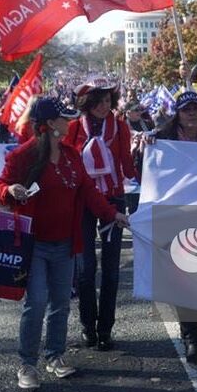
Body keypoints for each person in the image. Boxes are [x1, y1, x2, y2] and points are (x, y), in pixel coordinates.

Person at [0, 98, 129, 390]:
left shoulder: (71, 154)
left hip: (66, 243)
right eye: (64, 118)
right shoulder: (22, 156)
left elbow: (89, 191)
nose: (70, 122)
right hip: (34, 244)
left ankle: (55, 356)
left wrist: (113, 214)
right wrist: (10, 190)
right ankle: (27, 364)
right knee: (37, 302)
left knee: (61, 304)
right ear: (50, 124)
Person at [144, 91, 197, 363]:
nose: (192, 113)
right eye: (186, 110)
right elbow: (148, 169)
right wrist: (147, 145)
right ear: (177, 114)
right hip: (177, 217)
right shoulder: (163, 140)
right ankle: (191, 334)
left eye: (196, 109)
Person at [64, 77, 136, 351]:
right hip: (82, 202)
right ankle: (87, 326)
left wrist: (149, 153)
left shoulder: (119, 127)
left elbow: (128, 168)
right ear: (87, 103)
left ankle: (105, 328)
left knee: (111, 269)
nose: (105, 106)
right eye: (99, 101)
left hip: (113, 200)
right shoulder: (72, 129)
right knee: (85, 270)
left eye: (108, 101)